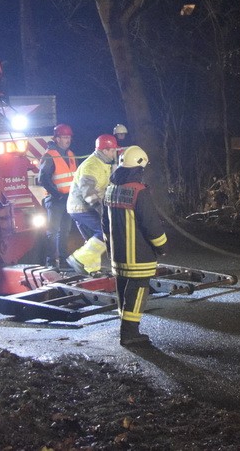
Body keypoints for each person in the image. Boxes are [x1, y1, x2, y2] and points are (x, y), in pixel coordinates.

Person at [103, 145, 168, 347]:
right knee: (138, 290)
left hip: (119, 256)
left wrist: (109, 246)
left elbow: (104, 224)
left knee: (123, 286)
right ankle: (130, 333)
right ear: (138, 169)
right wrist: (162, 246)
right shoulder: (139, 192)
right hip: (139, 256)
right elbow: (151, 224)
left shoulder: (111, 190)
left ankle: (124, 327)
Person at [64, 134, 119, 275]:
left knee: (93, 240)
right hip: (82, 208)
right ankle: (78, 259)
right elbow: (88, 192)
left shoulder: (102, 163)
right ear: (105, 150)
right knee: (105, 232)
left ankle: (91, 269)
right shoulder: (92, 165)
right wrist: (103, 211)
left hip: (80, 207)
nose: (114, 153)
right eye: (112, 150)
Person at [37, 123, 77, 268]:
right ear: (57, 139)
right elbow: (43, 179)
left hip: (68, 199)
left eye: (69, 137)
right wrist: (56, 194)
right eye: (65, 137)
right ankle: (51, 261)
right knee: (53, 232)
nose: (68, 140)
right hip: (55, 200)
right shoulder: (49, 156)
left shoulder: (71, 154)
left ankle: (63, 259)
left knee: (65, 231)